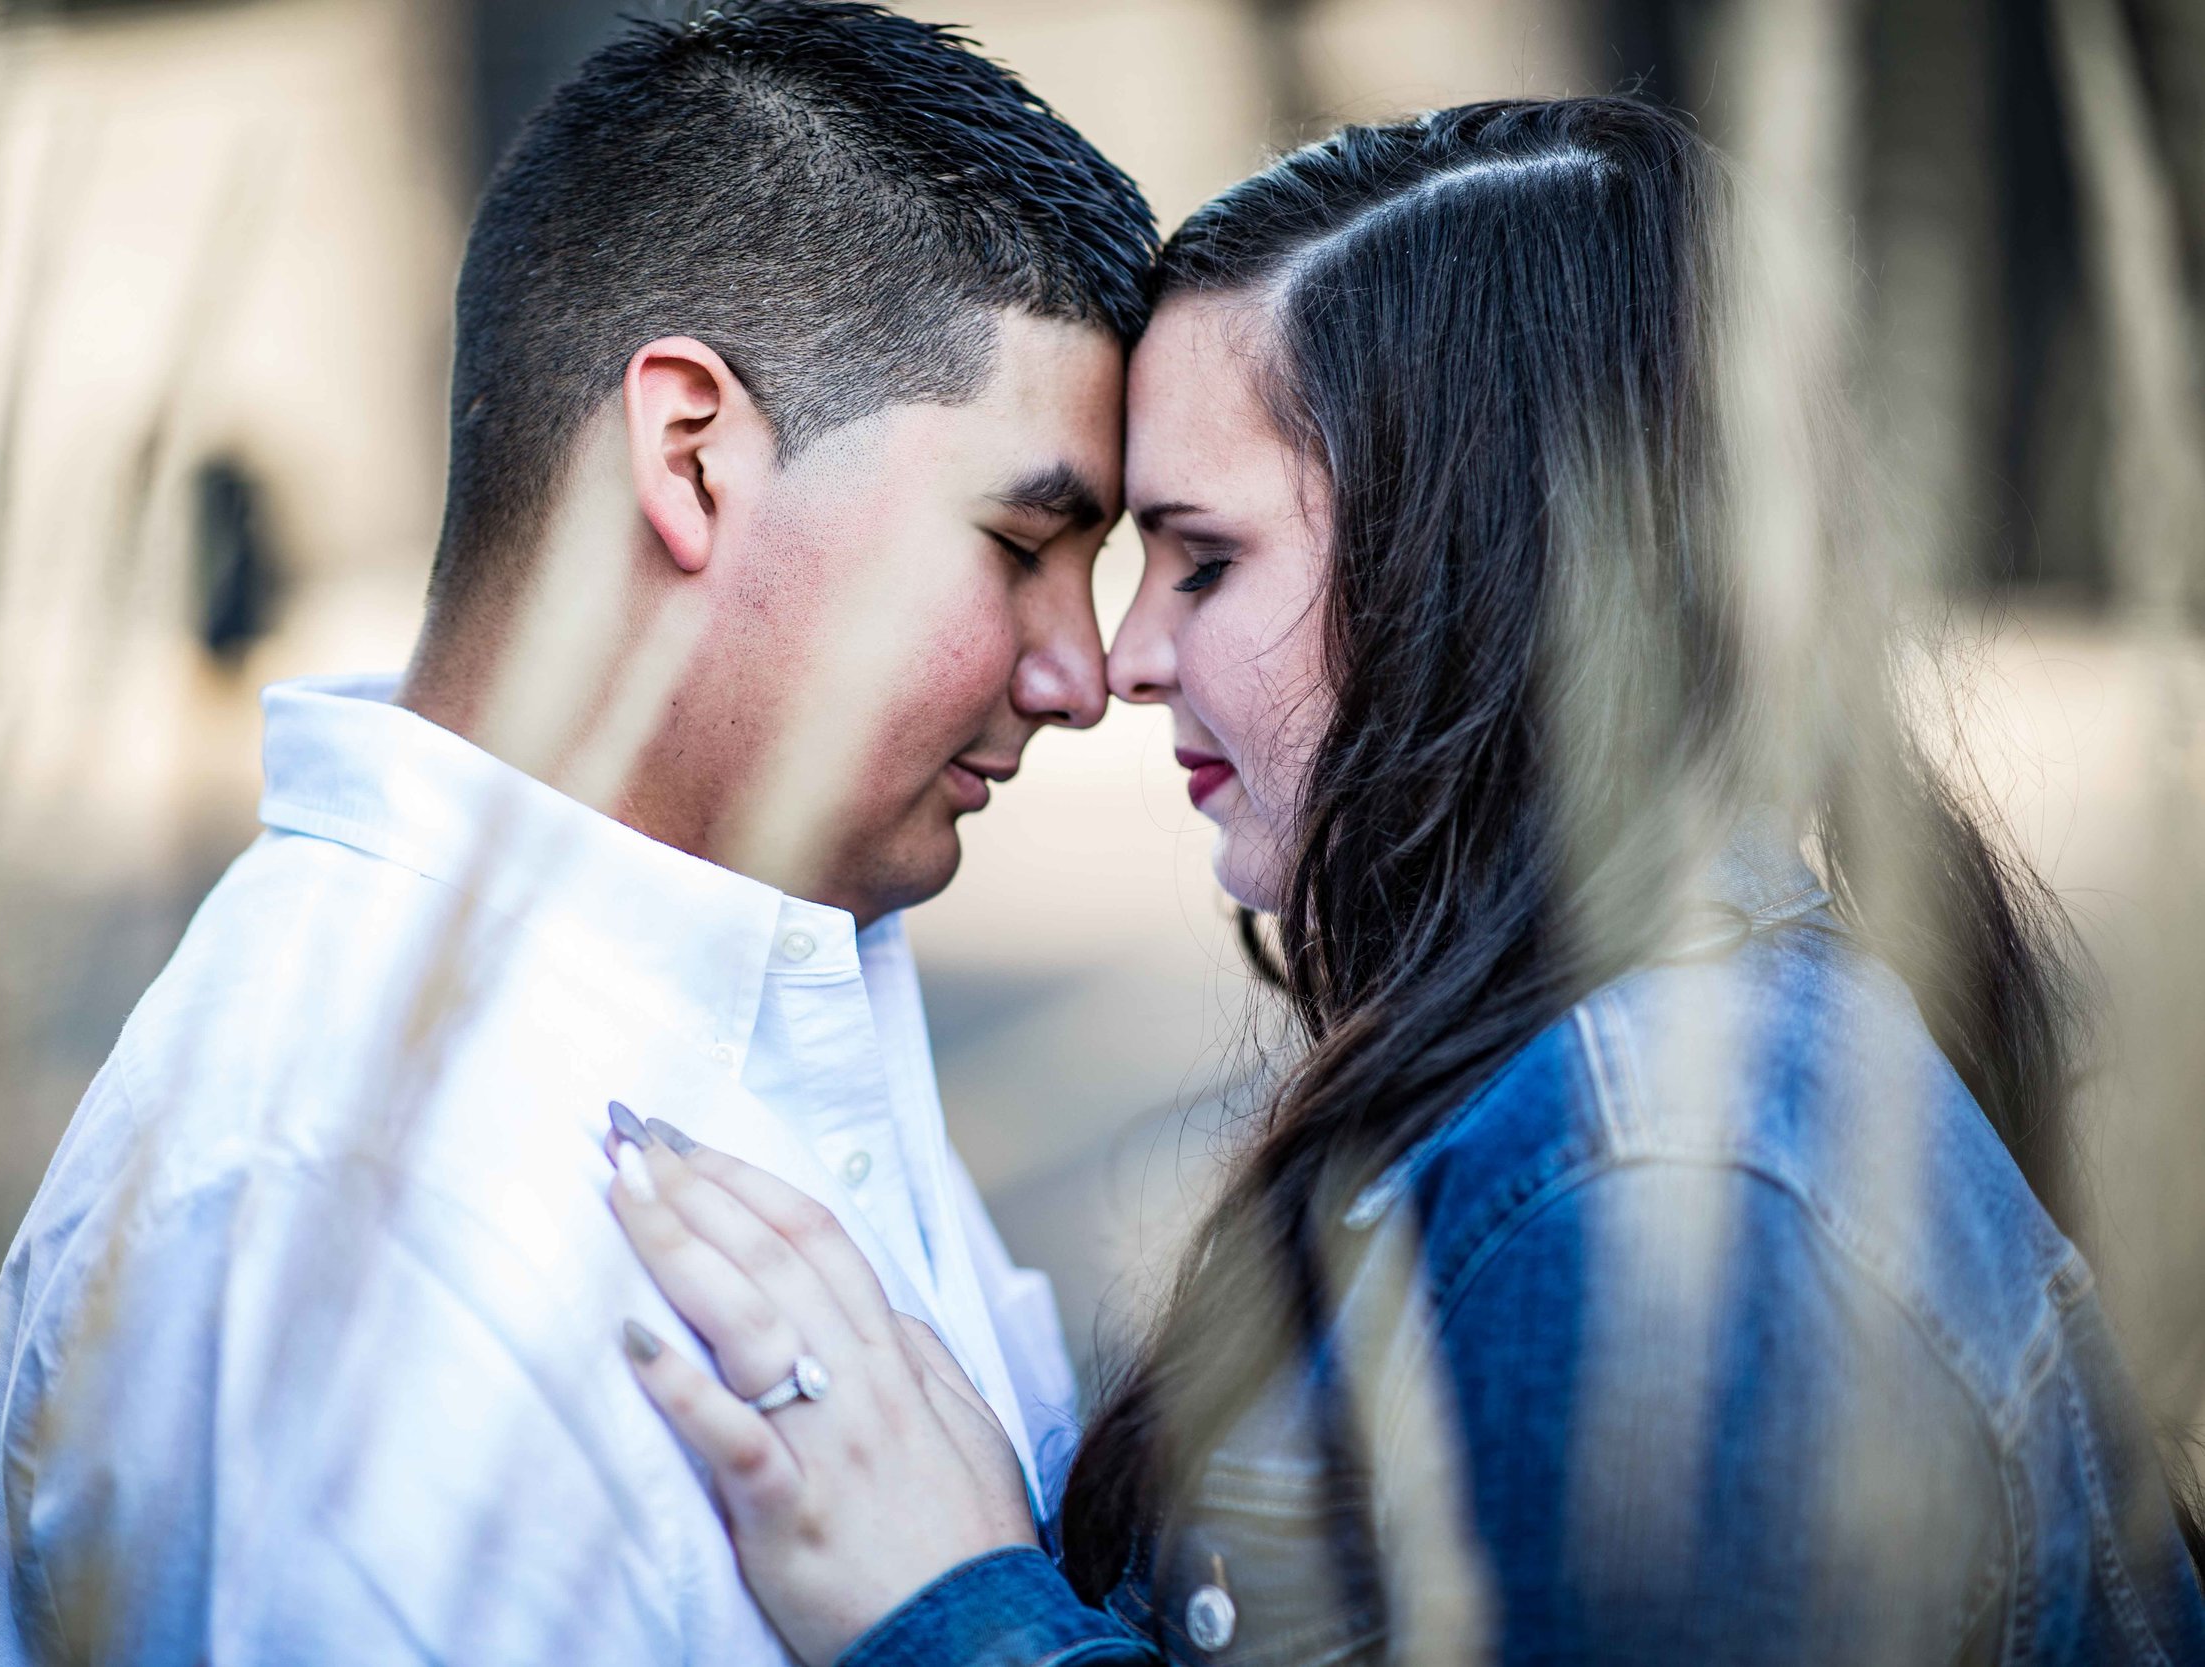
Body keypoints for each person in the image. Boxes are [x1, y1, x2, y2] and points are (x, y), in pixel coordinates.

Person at [604, 98, 2205, 1664]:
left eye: (1205, 560)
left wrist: (952, 1608)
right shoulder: (1621, 1089)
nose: (1125, 661)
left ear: (1486, 573)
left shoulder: (1658, 1193)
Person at [0, 5, 1153, 1661]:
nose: (1085, 672)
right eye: (1021, 543)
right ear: (693, 455)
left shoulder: (773, 945)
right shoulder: (347, 1209)